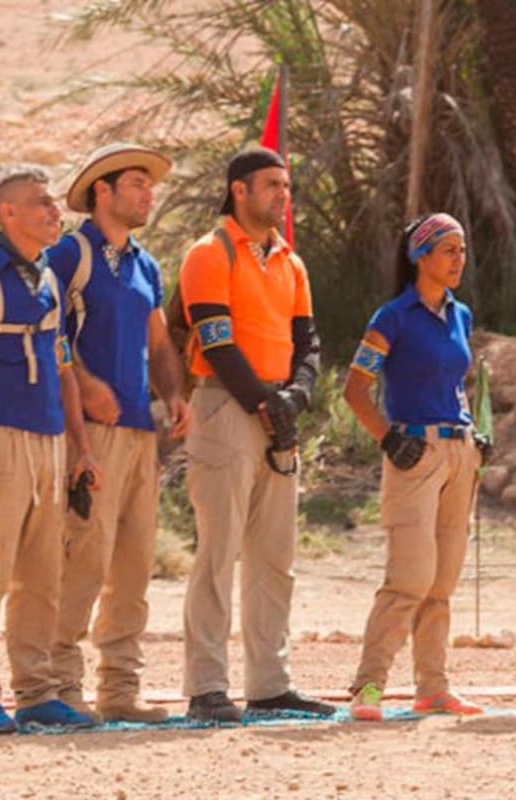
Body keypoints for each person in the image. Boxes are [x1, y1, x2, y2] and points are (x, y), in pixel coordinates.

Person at [178, 147, 334, 722]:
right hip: (226, 408)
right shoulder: (209, 253)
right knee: (218, 552)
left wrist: (295, 397)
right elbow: (216, 342)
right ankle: (206, 687)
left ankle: (270, 682)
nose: (282, 195)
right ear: (238, 190)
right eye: (271, 185)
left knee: (275, 557)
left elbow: (309, 341)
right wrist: (267, 403)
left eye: (286, 186)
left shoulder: (291, 262)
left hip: (277, 410)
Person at [0, 166, 99, 734]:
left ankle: (36, 691)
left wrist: (80, 448)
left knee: (42, 573)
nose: (54, 212)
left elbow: (63, 370)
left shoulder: (49, 280)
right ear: (7, 213)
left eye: (54, 204)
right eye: (40, 204)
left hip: (49, 442)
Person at [46, 143, 190, 724]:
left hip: (139, 434)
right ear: (100, 191)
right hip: (90, 433)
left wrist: (175, 393)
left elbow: (158, 342)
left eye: (148, 185)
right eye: (136, 183)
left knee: (133, 565)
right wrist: (83, 382)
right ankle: (59, 684)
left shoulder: (147, 265)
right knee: (83, 555)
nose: (148, 193)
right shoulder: (67, 256)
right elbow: (46, 332)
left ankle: (120, 690)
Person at [343, 213, 489, 721]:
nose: (459, 260)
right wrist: (388, 438)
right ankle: (369, 685)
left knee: (443, 579)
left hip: (460, 452)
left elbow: (453, 382)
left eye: (462, 250)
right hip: (415, 454)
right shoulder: (392, 317)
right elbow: (354, 389)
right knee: (409, 574)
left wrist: (474, 433)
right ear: (420, 257)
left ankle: (433, 687)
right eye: (449, 250)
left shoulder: (460, 315)